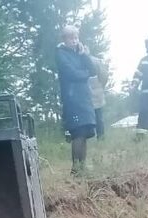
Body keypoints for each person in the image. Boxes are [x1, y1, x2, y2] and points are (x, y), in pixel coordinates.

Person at [56, 26, 96, 175]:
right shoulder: (60, 54)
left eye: (76, 37)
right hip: (72, 98)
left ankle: (82, 168)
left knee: (85, 132)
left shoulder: (80, 53)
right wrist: (85, 74)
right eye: (71, 38)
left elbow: (93, 69)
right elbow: (71, 73)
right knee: (77, 132)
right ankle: (75, 169)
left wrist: (84, 54)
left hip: (84, 97)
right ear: (65, 39)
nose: (74, 41)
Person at [89, 54, 108, 140]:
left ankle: (97, 136)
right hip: (97, 90)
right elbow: (104, 76)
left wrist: (100, 86)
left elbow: (104, 75)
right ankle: (101, 136)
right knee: (98, 116)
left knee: (96, 116)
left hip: (95, 91)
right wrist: (101, 86)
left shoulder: (94, 60)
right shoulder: (97, 60)